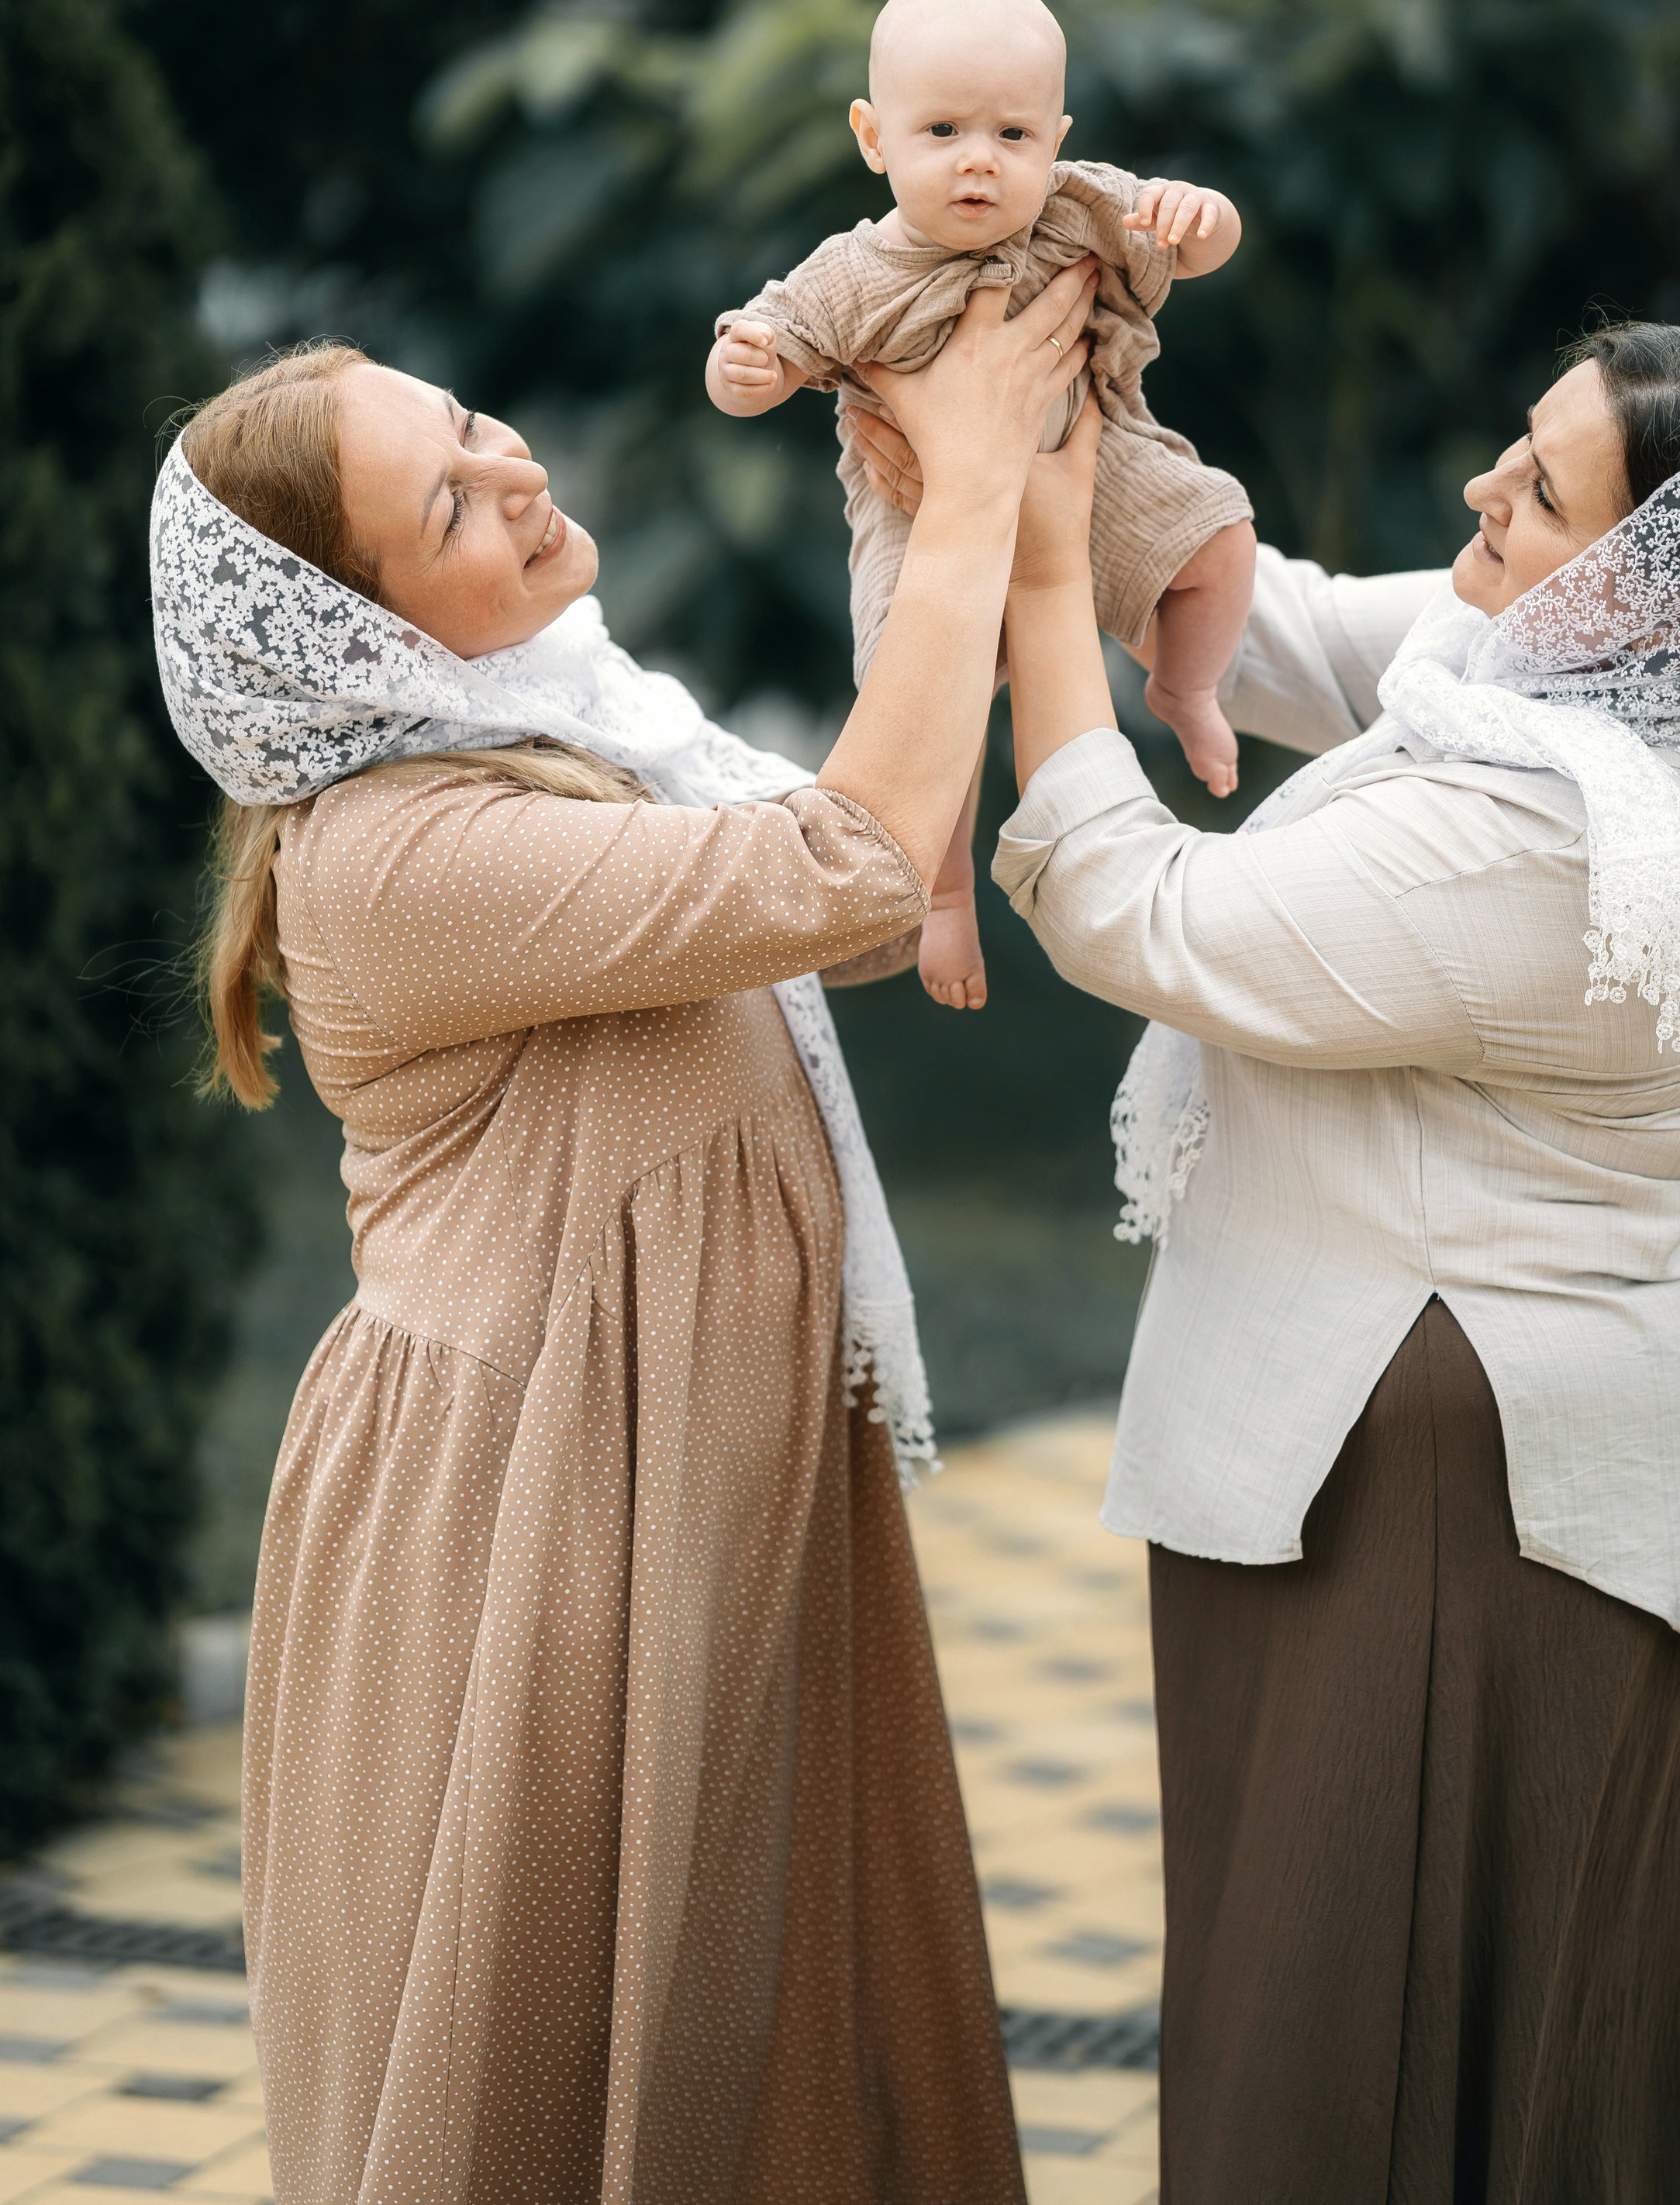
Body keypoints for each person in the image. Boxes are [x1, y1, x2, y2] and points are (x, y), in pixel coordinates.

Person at [853, 319, 1680, 2202]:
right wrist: (1054, 362)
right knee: (1479, 2034)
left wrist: (1053, 567)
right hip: (1535, 1449)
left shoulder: (1546, 840)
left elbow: (1137, 908)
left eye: (1541, 492)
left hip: (1435, 1490)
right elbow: (1292, 623)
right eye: (1516, 440)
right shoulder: (1635, 686)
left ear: (1654, 592)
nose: (1486, 491)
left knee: (1339, 2043)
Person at [149, 258, 1095, 2205]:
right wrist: (978, 488)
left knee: (749, 2006)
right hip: (541, 1496)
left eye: (470, 425)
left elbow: (852, 847)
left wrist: (948, 479)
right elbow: (841, 869)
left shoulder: (574, 724)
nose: (509, 470)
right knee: (557, 2041)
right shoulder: (404, 847)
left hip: (673, 1456)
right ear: (361, 632)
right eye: (446, 502)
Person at [707, 0, 1255, 1010]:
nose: (980, 164)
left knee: (1222, 538)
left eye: (1013, 135)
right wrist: (746, 370)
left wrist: (1202, 215)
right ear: (874, 139)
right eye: (943, 132)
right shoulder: (852, 273)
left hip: (1099, 464)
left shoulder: (1081, 205)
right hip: (923, 512)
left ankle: (1186, 686)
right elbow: (770, 341)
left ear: (1057, 136)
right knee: (928, 706)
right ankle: (946, 893)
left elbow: (1196, 245)